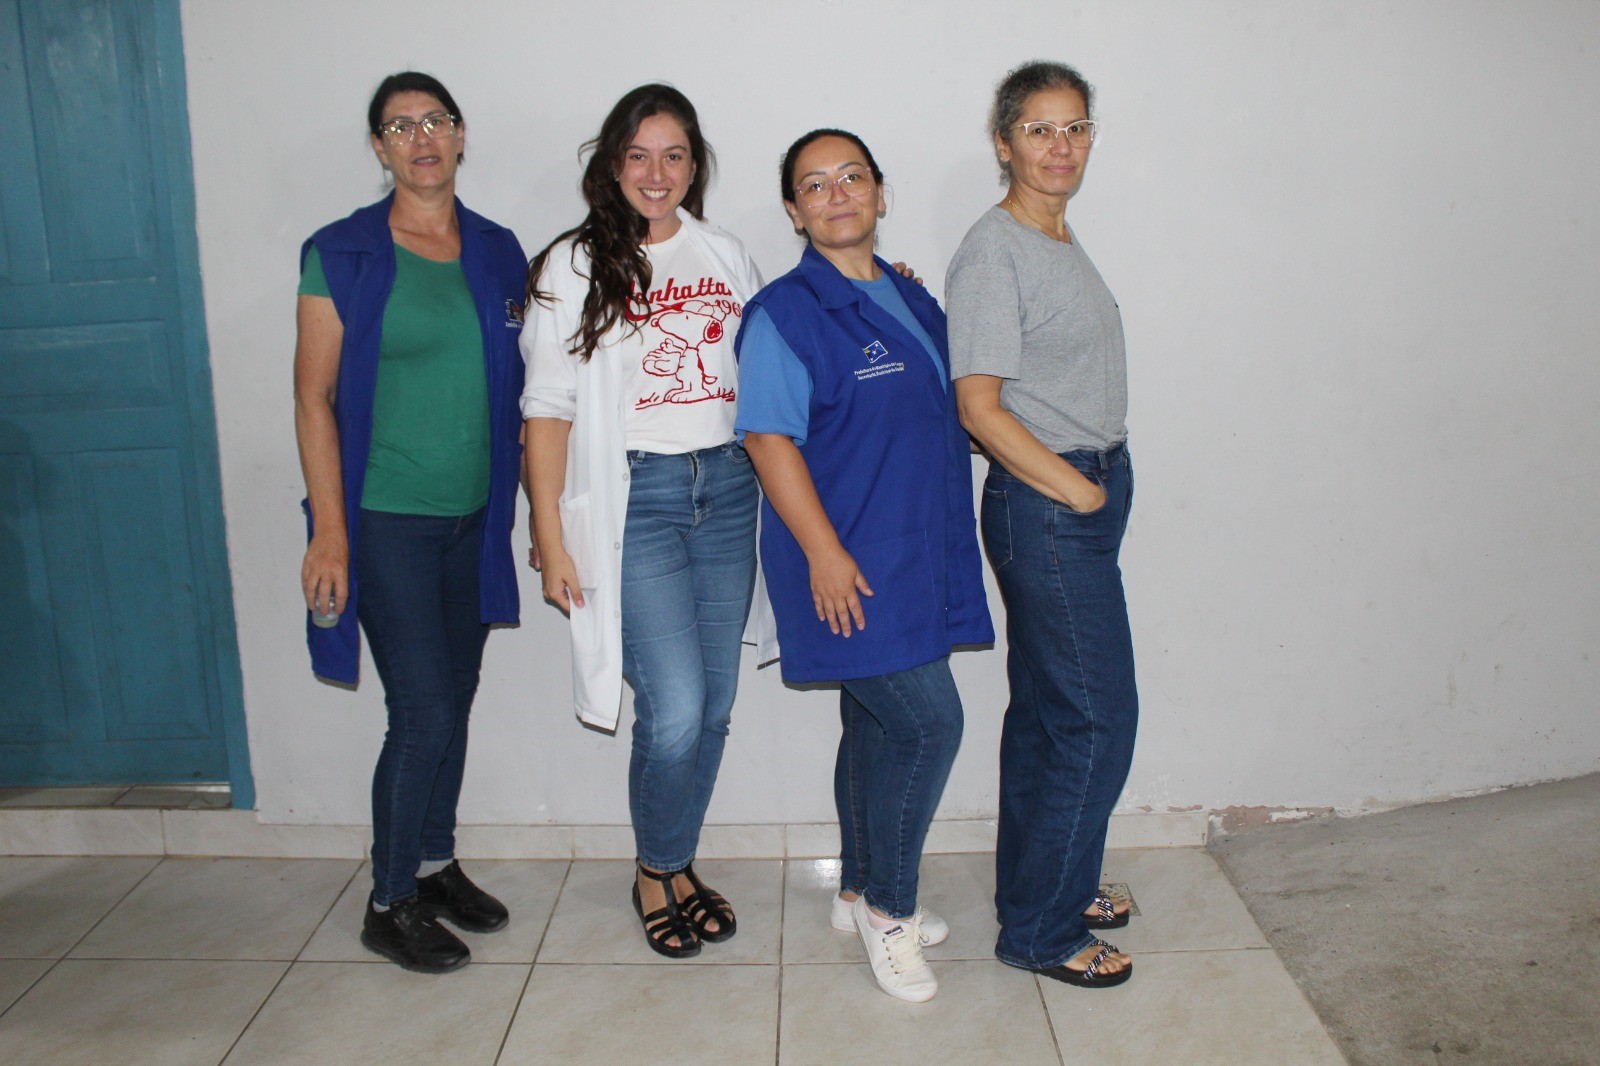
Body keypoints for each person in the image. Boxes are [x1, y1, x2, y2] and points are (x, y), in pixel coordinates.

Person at [736, 129, 994, 1002]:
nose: (836, 193)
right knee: (928, 725)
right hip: (844, 557)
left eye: (852, 177)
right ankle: (891, 909)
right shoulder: (783, 314)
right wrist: (824, 553)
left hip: (914, 548)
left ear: (880, 193)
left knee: (875, 724)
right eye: (814, 184)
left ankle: (856, 891)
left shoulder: (911, 298)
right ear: (794, 210)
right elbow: (767, 440)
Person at [521, 85, 769, 959]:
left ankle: (676, 864)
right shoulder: (572, 266)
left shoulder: (725, 253)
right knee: (674, 710)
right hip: (639, 503)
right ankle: (656, 870)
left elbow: (771, 363)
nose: (656, 173)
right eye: (638, 155)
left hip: (728, 492)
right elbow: (546, 408)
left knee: (716, 706)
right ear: (612, 164)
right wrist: (549, 535)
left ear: (695, 165)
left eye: (674, 155)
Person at [294, 72, 527, 973]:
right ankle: (388, 901)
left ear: (460, 135)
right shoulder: (342, 252)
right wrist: (329, 532)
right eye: (400, 126)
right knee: (423, 710)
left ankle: (432, 866)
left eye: (436, 121)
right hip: (385, 522)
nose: (421, 137)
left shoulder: (498, 250)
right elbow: (313, 398)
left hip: (475, 520)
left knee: (453, 699)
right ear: (379, 147)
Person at [947, 60, 1138, 989]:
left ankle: (1039, 888)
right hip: (1051, 507)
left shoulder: (1056, 234)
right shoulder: (996, 251)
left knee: (1047, 716)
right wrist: (1078, 491)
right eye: (1039, 130)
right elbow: (978, 406)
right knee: (1097, 718)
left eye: (1076, 128)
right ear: (1003, 142)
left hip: (1077, 498)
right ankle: (1042, 931)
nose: (1060, 147)